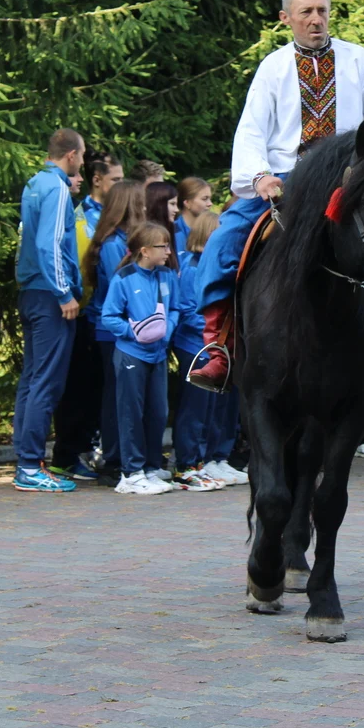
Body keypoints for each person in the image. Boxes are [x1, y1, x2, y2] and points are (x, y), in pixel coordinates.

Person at [191, 0, 364, 397]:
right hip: (287, 185)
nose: (316, 19)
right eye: (306, 13)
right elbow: (251, 132)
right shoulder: (273, 67)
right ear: (286, 18)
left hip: (350, 184)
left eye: (322, 10)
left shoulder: (359, 61)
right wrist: (259, 176)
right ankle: (220, 347)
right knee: (222, 246)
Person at [12, 128, 85, 493]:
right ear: (71, 155)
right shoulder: (56, 187)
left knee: (31, 379)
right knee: (46, 381)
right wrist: (63, 293)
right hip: (48, 295)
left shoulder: (34, 183)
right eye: (82, 157)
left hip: (30, 291)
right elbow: (49, 245)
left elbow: (25, 239)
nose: (82, 164)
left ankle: (25, 460)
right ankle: (29, 465)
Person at [48, 152, 121, 481]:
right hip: (83, 312)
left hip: (102, 316)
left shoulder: (113, 215)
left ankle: (87, 448)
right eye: (115, 181)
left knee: (96, 389)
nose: (119, 186)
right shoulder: (83, 216)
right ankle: (67, 454)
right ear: (97, 180)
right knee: (77, 388)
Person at [101, 222, 180, 494]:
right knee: (130, 413)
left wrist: (166, 329)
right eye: (163, 246)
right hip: (131, 355)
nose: (169, 251)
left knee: (158, 413)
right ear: (145, 251)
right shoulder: (123, 278)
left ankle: (150, 467)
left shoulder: (167, 276)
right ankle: (130, 473)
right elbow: (109, 316)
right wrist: (134, 332)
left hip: (158, 355)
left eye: (169, 245)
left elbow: (176, 309)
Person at [172, 212, 243, 491]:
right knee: (196, 409)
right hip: (196, 346)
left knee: (217, 408)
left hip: (219, 347)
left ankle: (213, 458)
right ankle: (188, 464)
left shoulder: (216, 267)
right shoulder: (192, 268)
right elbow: (190, 311)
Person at [84, 180, 147, 485]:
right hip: (114, 332)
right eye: (141, 204)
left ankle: (125, 456)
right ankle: (113, 458)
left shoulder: (125, 241)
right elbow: (118, 288)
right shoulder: (112, 246)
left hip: (129, 330)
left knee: (126, 396)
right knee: (115, 397)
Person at [145, 181, 181, 271]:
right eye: (172, 204)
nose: (176, 210)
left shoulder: (170, 228)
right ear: (159, 204)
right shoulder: (147, 234)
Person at [174, 177, 213, 255]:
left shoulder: (211, 229)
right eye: (204, 199)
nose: (210, 203)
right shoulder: (174, 232)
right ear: (187, 202)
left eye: (210, 199)